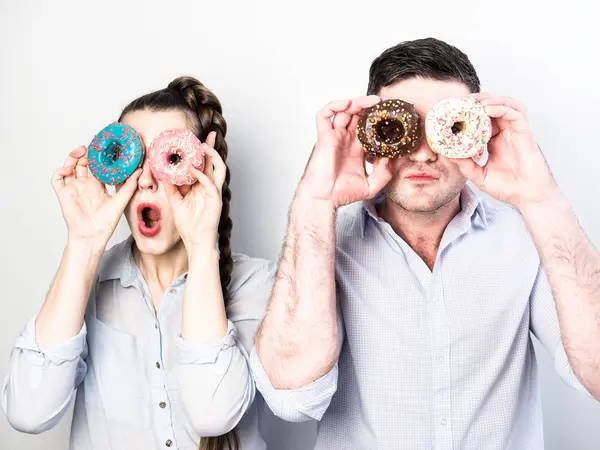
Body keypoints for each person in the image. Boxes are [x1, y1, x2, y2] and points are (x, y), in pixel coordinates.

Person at [250, 38, 600, 449]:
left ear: (479, 135)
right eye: (399, 127)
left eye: (447, 128)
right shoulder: (323, 244)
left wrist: (542, 200)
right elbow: (291, 398)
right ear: (368, 135)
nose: (421, 153)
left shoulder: (524, 236)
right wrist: (315, 202)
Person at [1, 76, 274, 450]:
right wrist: (83, 244)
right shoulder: (87, 282)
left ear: (207, 169)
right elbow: (28, 412)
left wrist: (200, 241)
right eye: (132, 159)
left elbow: (214, 412)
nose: (145, 181)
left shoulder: (256, 284)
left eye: (169, 158)